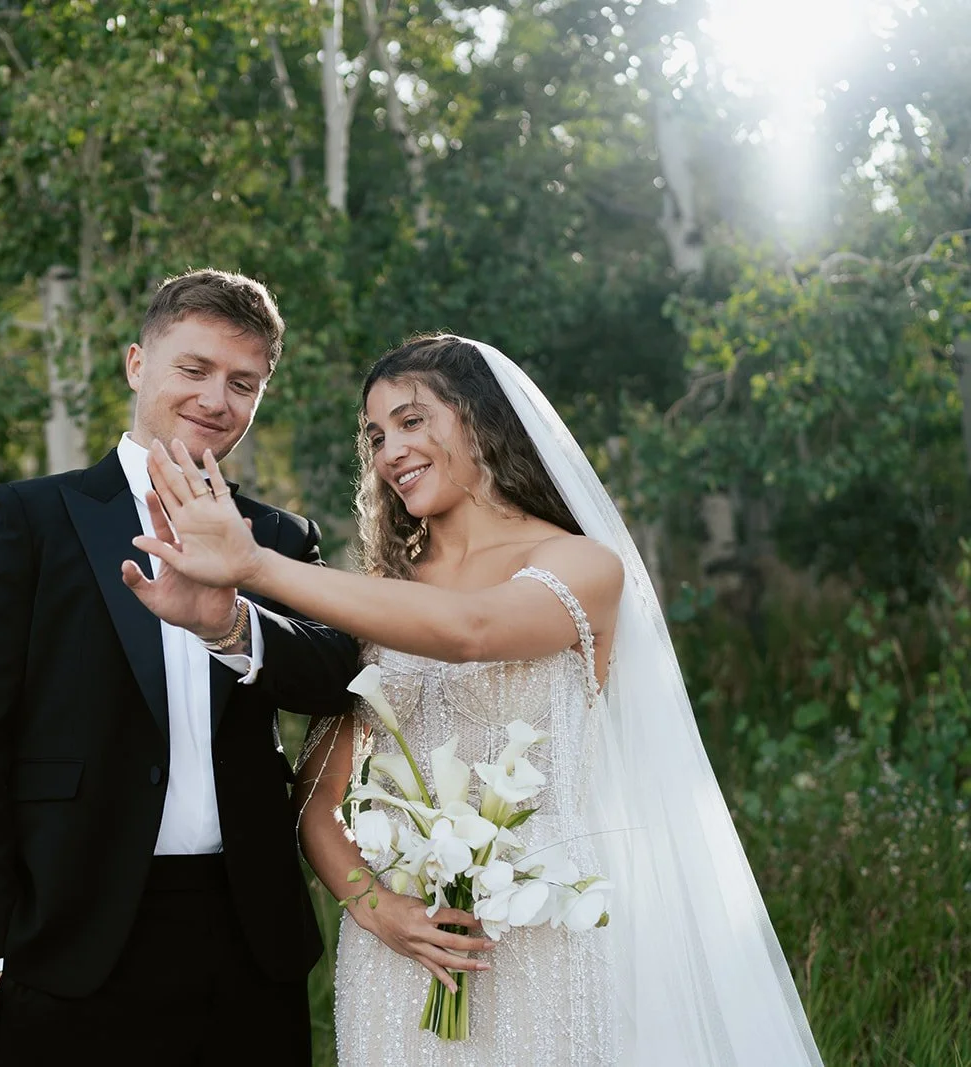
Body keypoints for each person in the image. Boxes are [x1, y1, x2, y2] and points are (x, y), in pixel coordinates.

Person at [124, 333, 824, 1066]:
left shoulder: (582, 565)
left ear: (484, 421)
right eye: (376, 434)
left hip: (539, 952)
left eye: (412, 420)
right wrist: (375, 905)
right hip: (398, 961)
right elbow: (316, 793)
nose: (390, 450)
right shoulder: (384, 594)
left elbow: (472, 631)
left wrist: (255, 565)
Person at [0, 268, 361, 1066]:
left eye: (243, 382)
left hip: (247, 934)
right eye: (193, 370)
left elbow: (336, 676)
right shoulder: (36, 518)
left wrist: (234, 623)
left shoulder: (282, 536)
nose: (216, 399)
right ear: (137, 364)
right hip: (72, 934)